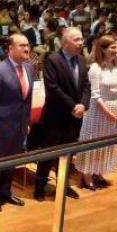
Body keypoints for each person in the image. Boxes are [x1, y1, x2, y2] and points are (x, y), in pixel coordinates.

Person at [35, 27, 90, 201]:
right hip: (56, 117)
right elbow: (53, 89)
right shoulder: (52, 59)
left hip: (75, 118)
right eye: (77, 40)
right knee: (48, 154)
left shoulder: (81, 60)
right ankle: (40, 187)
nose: (81, 43)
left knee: (67, 154)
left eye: (81, 39)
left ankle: (63, 185)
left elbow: (86, 86)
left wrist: (84, 104)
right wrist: (74, 107)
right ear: (65, 42)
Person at [0, 33, 33, 209]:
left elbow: (28, 99)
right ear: (10, 49)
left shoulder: (29, 68)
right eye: (22, 45)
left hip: (19, 125)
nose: (27, 48)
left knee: (12, 161)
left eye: (27, 45)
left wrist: (27, 122)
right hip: (1, 126)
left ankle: (5, 191)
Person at [74, 36, 117, 190]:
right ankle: (87, 174)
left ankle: (98, 171)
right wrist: (108, 112)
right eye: (112, 48)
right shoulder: (95, 68)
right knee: (93, 143)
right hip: (98, 111)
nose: (116, 51)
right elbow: (95, 95)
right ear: (102, 49)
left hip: (115, 110)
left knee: (107, 144)